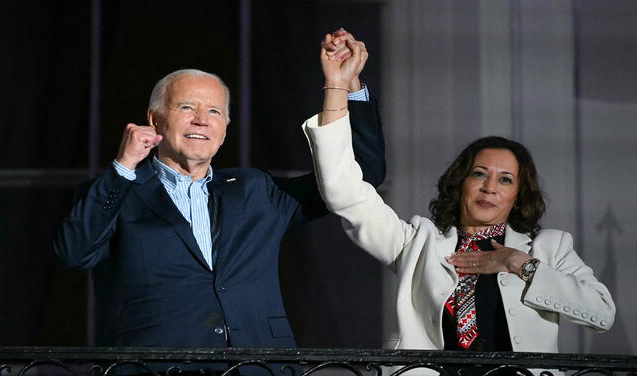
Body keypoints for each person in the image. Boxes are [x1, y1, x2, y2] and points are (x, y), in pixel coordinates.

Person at [54, 29, 384, 354]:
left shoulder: (256, 191)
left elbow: (360, 176)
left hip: (257, 365)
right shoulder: (118, 191)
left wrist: (344, 87)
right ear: (154, 120)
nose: (201, 120)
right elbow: (75, 252)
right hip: (155, 365)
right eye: (186, 108)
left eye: (214, 111)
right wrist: (123, 167)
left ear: (225, 127)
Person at [303, 36, 615, 357]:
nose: (490, 187)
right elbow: (343, 191)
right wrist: (338, 86)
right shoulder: (417, 243)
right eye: (479, 174)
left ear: (518, 196)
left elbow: (603, 314)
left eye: (505, 180)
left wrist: (519, 263)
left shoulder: (551, 247)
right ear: (460, 182)